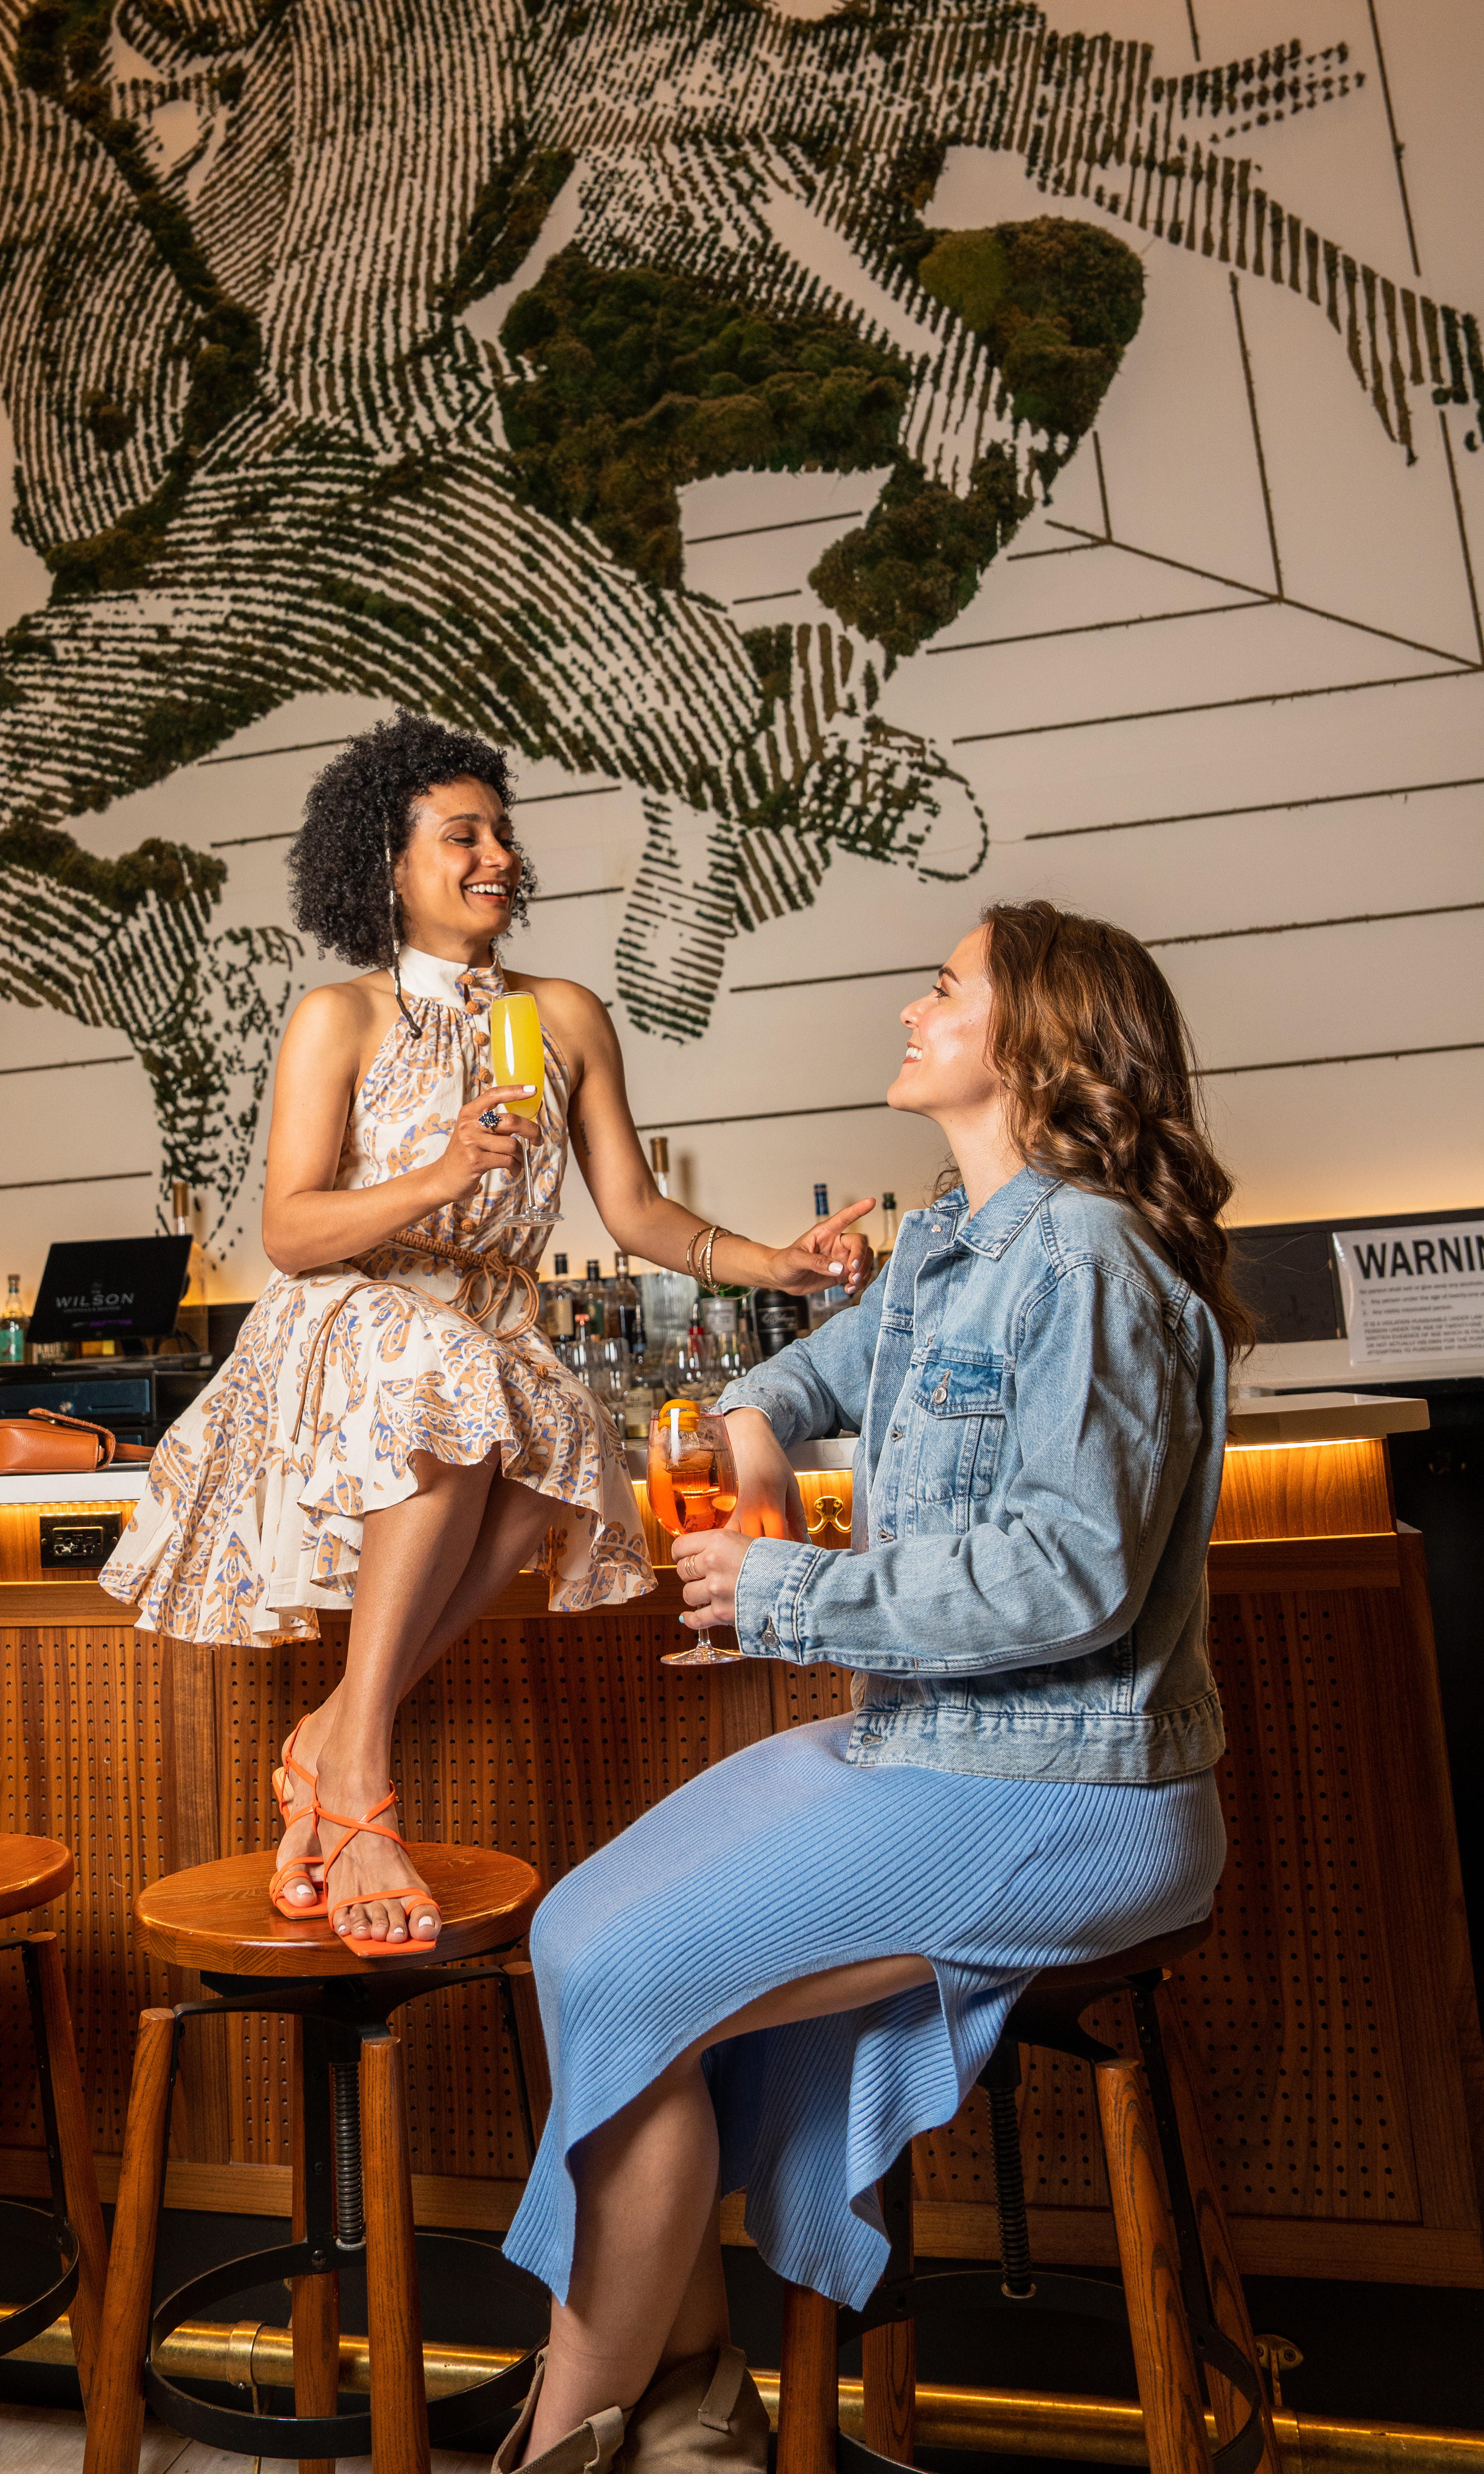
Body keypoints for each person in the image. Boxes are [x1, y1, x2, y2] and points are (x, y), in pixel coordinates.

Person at [495, 898, 1253, 2472]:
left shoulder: (1092, 1262)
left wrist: (787, 1590)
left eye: (943, 990)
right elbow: (791, 1378)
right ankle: (690, 2400)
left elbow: (1073, 1575)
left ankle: (574, 2441)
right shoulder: (941, 1255)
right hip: (924, 1744)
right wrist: (757, 1426)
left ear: (1033, 1046)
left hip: (1071, 1788)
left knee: (632, 1974)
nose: (910, 1012)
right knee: (579, 1931)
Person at [100, 710, 873, 1953]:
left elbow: (633, 1212)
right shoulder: (337, 1020)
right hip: (356, 1320)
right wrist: (441, 1172)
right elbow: (292, 1234)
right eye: (462, 835)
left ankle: (340, 1729)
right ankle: (359, 1779)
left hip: (489, 1339)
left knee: (559, 1425)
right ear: (388, 869)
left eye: (503, 833)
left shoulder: (564, 1016)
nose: (497, 855)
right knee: (460, 1378)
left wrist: (774, 1260)